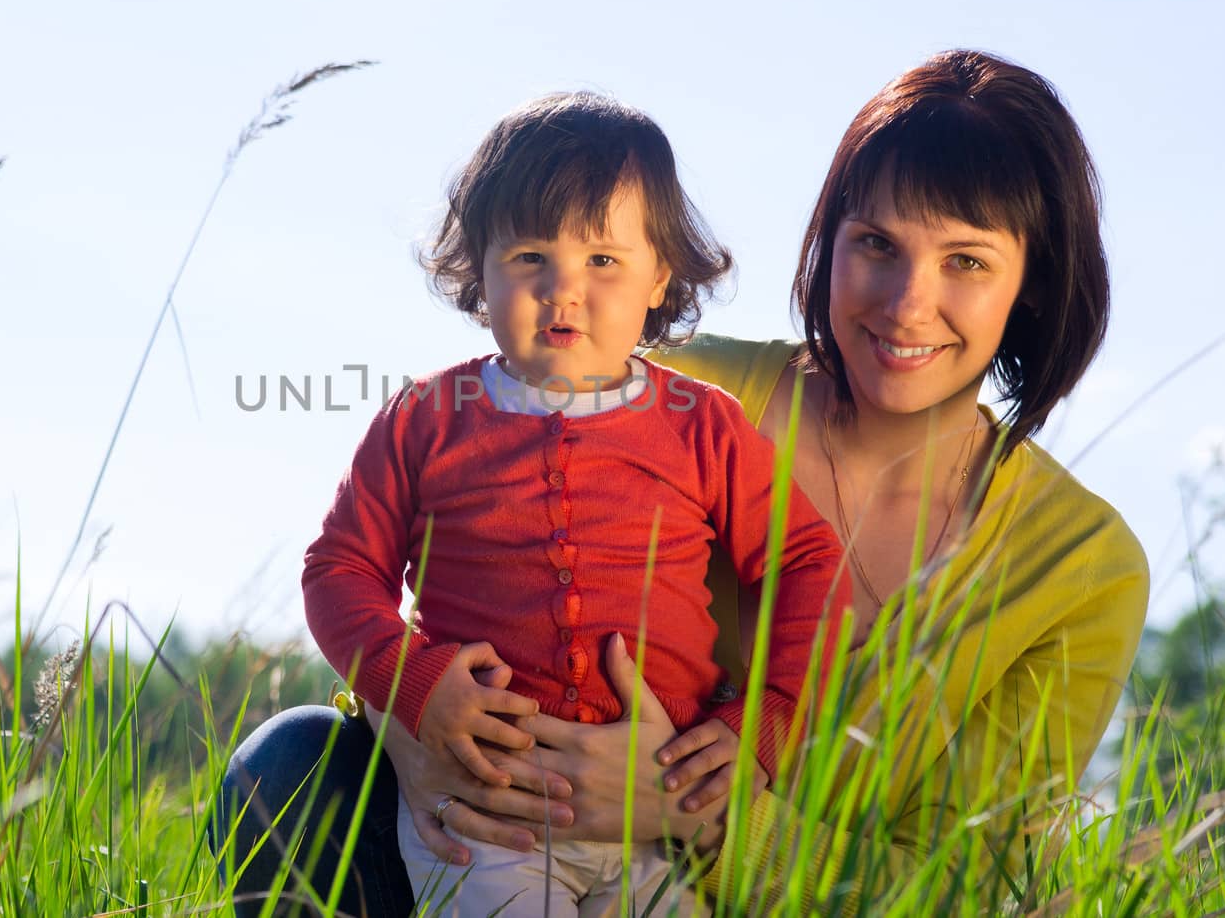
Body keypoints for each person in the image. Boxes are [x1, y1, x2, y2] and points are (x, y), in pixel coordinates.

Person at [213, 50, 1150, 914]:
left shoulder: (1083, 568)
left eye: (967, 262)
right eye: (876, 245)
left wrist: (693, 809)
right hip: (497, 838)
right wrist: (419, 731)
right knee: (289, 763)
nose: (906, 302)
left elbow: (962, 894)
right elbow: (425, 562)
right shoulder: (665, 390)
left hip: (697, 889)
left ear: (1032, 280)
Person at [297, 92, 850, 916]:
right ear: (478, 267)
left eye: (602, 261)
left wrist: (763, 720)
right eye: (529, 257)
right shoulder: (423, 419)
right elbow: (339, 569)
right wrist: (412, 682)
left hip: (658, 823)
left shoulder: (704, 427)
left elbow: (806, 565)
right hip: (488, 816)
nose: (564, 290)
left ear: (660, 274)